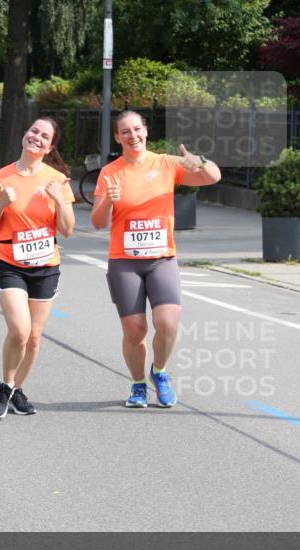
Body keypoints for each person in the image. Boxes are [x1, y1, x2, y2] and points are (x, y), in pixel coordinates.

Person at [90, 111, 221, 409]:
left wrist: (199, 161)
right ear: (117, 137)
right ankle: (138, 384)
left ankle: (159, 372)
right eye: (125, 131)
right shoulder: (110, 172)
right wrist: (109, 199)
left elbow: (213, 176)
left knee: (168, 323)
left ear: (146, 131)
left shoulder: (165, 163)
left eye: (137, 129)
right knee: (135, 330)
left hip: (161, 258)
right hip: (125, 261)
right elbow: (98, 222)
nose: (132, 135)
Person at [0, 117, 75, 419]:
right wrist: (1, 205)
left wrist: (59, 200)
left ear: (50, 147)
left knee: (34, 336)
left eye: (44, 135)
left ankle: (17, 389)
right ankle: (5, 385)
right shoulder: (1, 177)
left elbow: (68, 229)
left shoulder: (57, 180)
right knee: (20, 330)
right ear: (25, 135)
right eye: (33, 130)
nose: (37, 137)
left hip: (46, 266)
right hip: (9, 262)